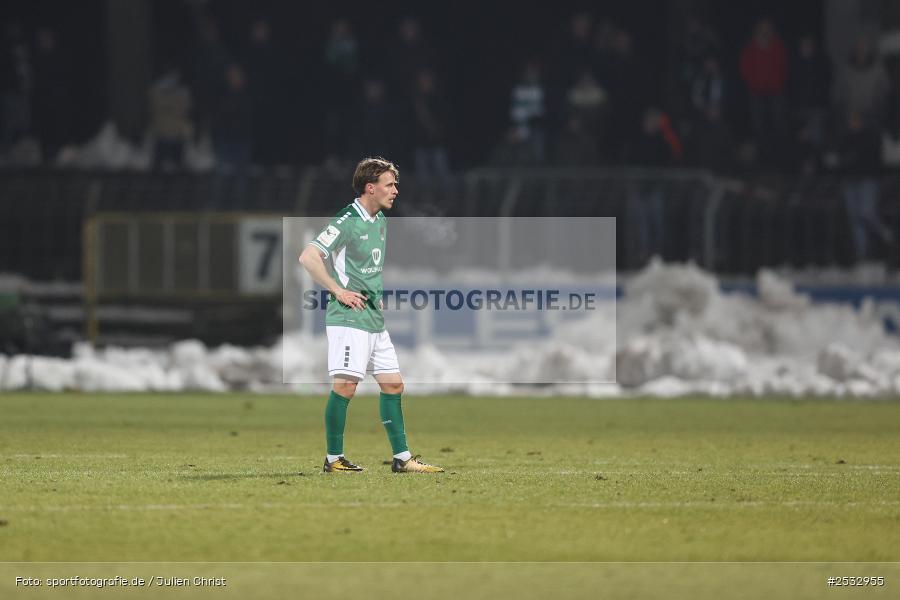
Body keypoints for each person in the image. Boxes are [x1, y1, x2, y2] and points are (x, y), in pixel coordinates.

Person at [298, 157, 444, 474]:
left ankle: (402, 459)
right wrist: (337, 291)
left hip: (374, 318)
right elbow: (308, 256)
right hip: (349, 317)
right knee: (346, 386)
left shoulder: (378, 220)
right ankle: (333, 458)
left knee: (393, 385)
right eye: (389, 184)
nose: (395, 191)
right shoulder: (346, 221)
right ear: (370, 187)